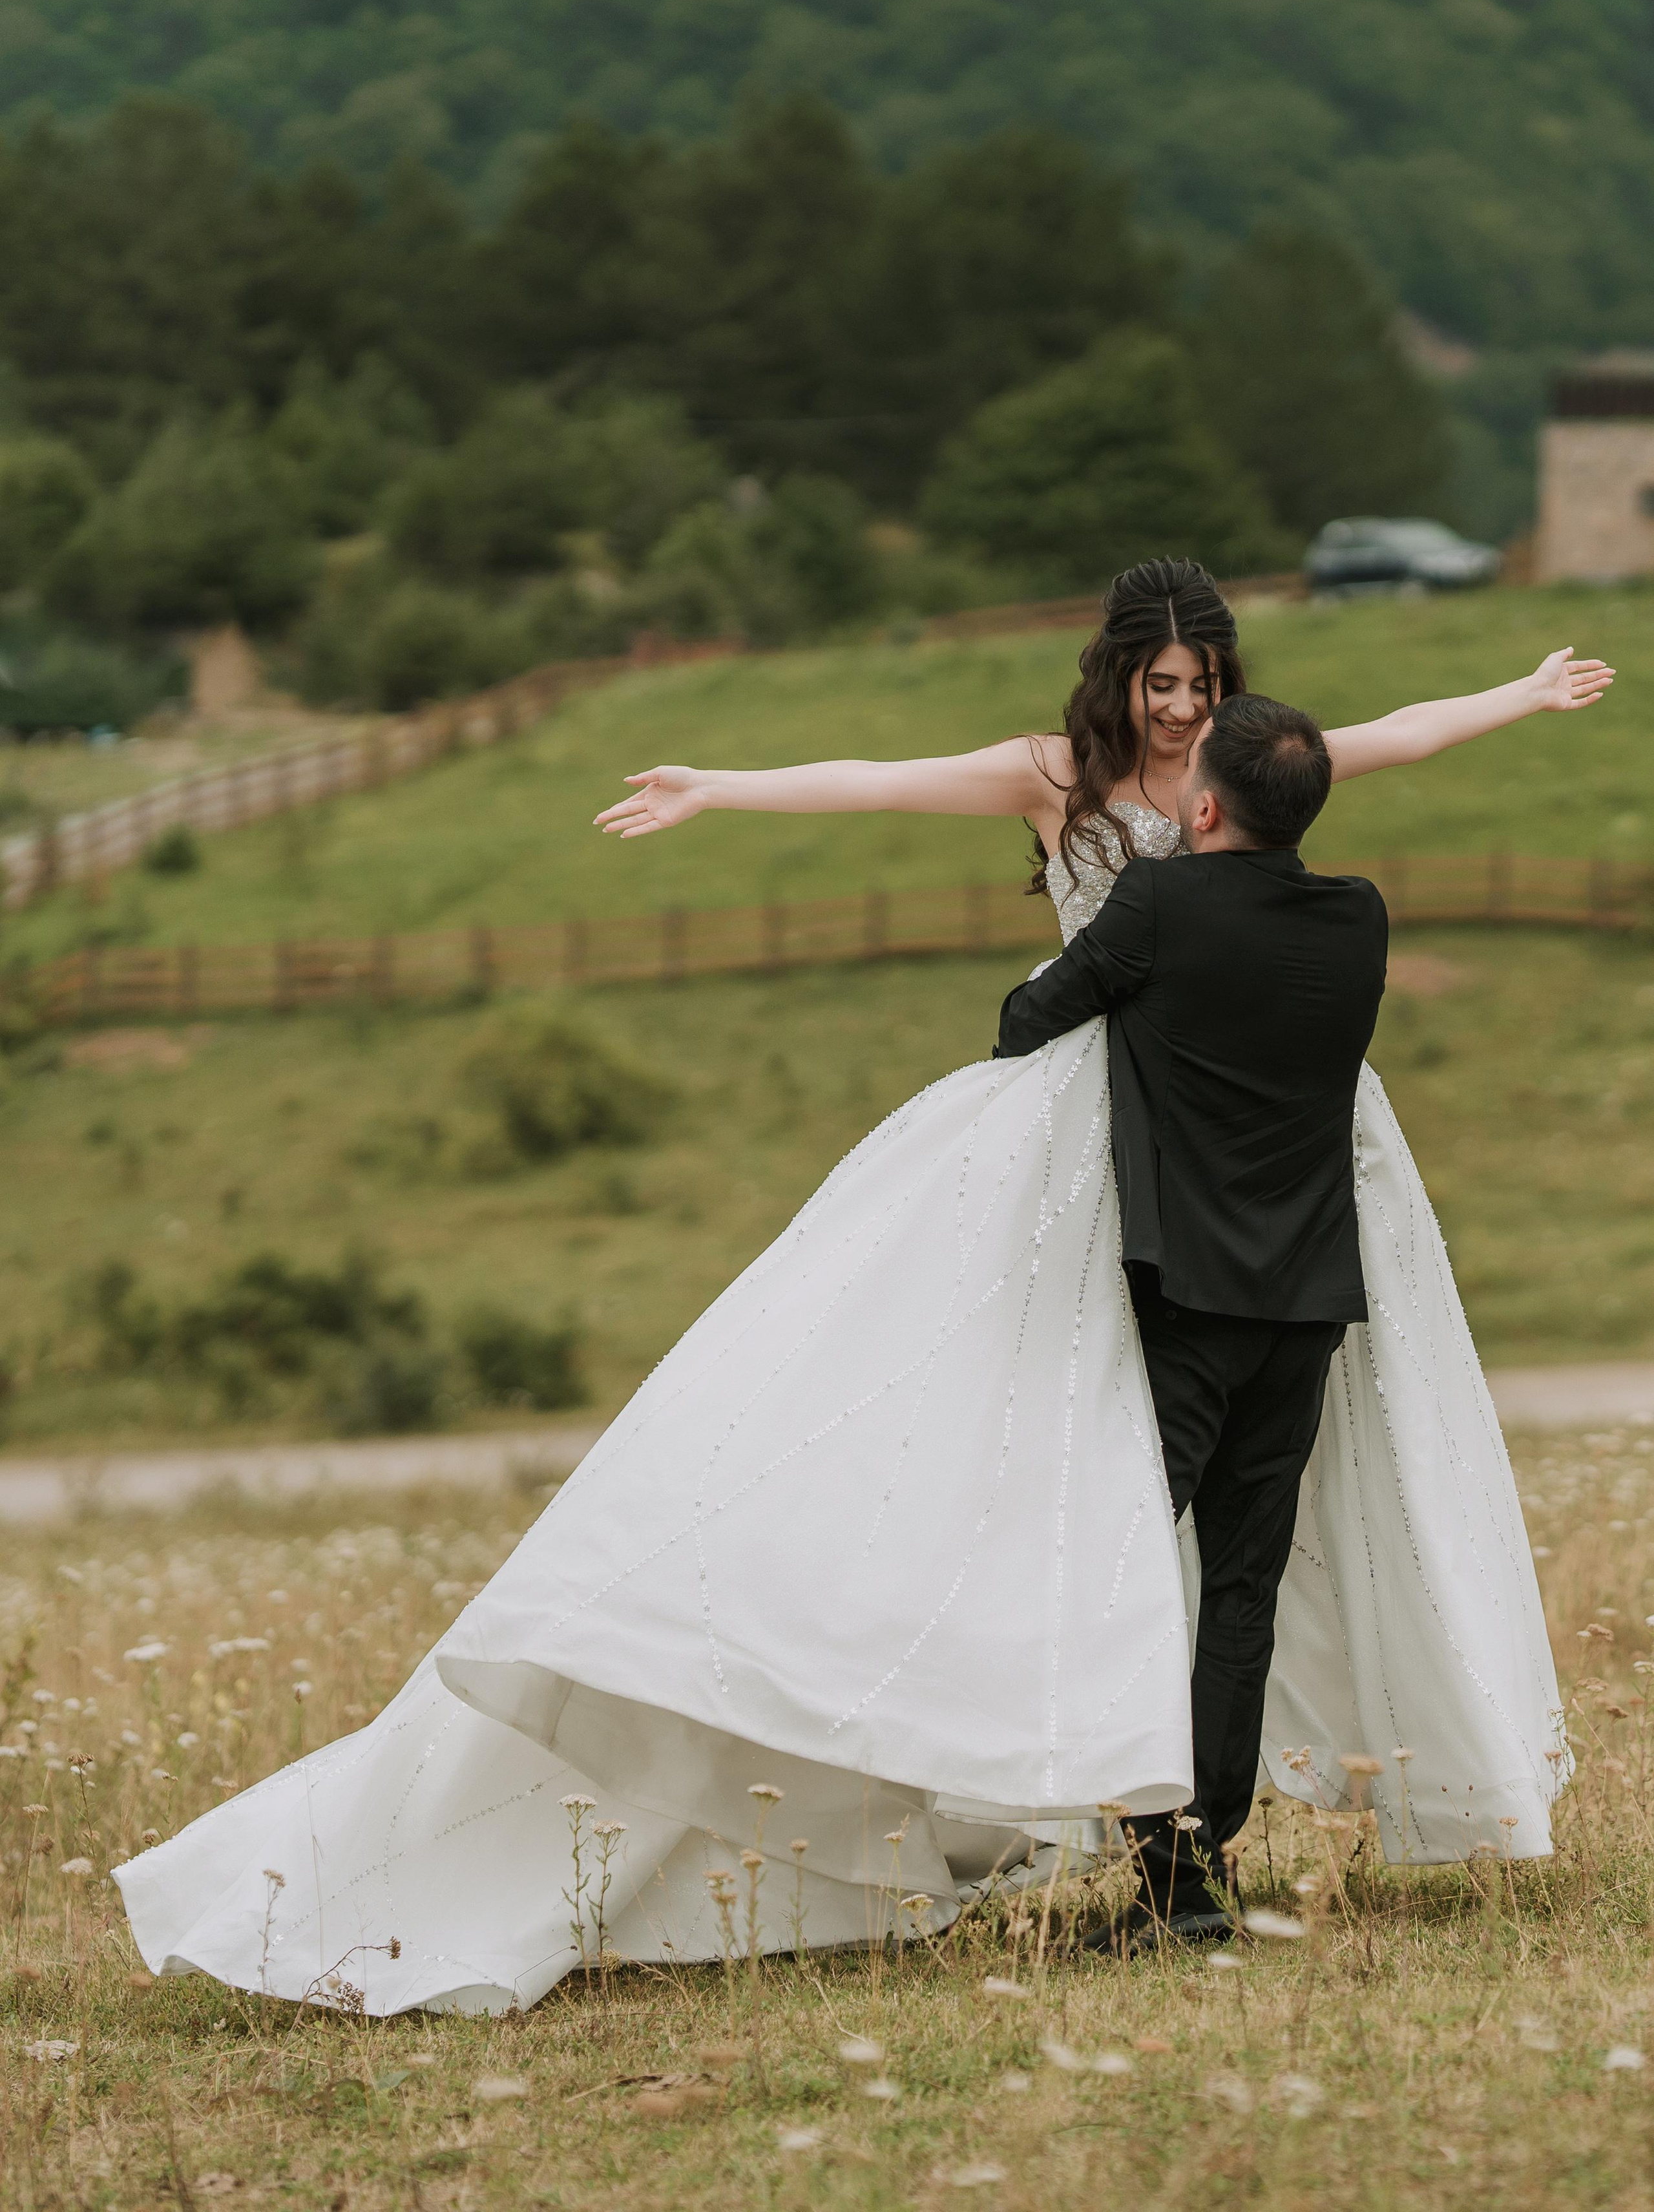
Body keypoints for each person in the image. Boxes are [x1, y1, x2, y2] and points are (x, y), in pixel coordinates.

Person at [115, 563, 1607, 2013]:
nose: (1179, 708)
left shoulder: (1250, 761)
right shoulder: (1057, 775)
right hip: (1100, 1143)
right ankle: (1095, 1812)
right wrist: (720, 789)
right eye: (1160, 682)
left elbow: (1398, 731)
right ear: (1117, 676)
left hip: (1243, 1152)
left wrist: (1520, 693)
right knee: (1059, 1483)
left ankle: (1166, 1847)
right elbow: (878, 780)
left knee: (1225, 1525)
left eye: (1201, 683)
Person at [996, 691, 1387, 1944]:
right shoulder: (1359, 917)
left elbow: (1027, 1023)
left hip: (1181, 1302)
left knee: (1113, 1562)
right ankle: (1194, 1875)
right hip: (1306, 1302)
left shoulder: (1160, 905)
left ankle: (1157, 1861)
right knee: (1241, 1588)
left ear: (1203, 807)